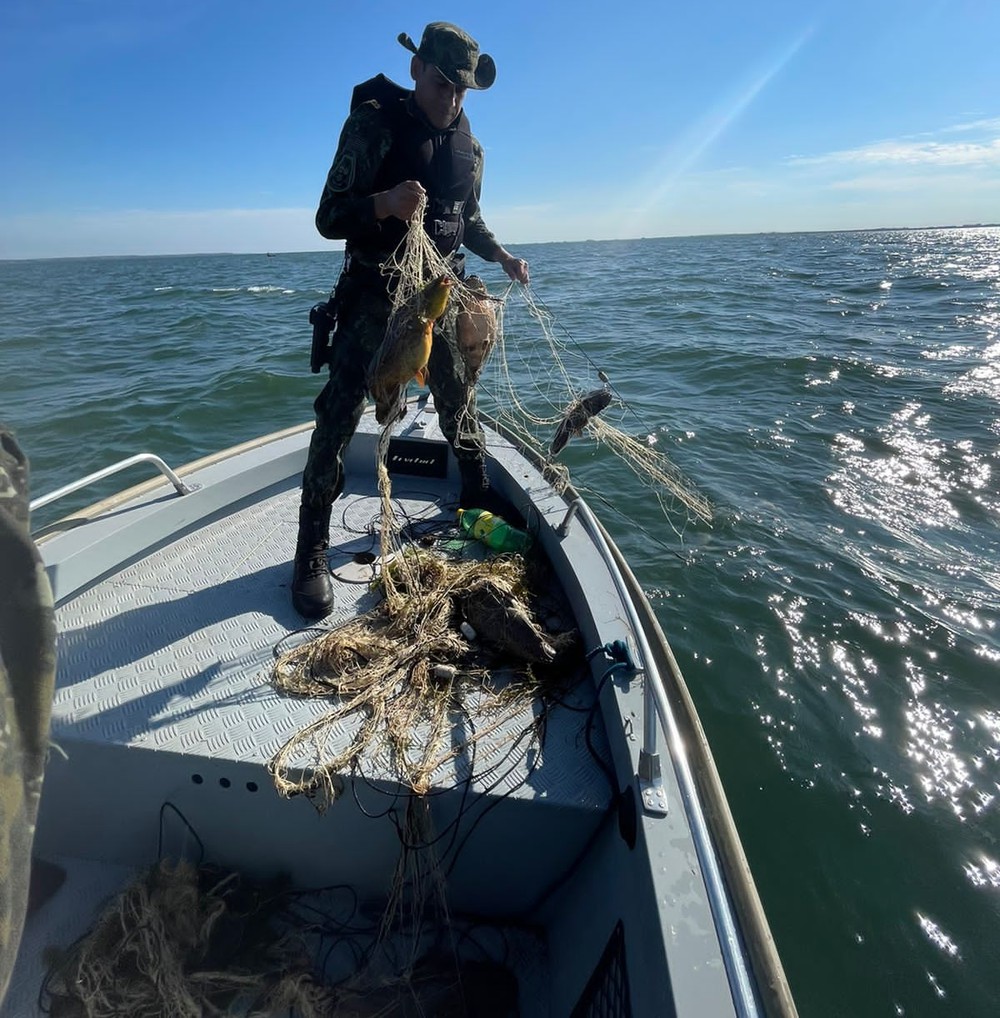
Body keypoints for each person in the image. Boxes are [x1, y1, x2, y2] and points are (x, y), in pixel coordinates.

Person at [292, 22, 529, 618]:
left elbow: (465, 220)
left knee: (457, 394)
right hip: (373, 294)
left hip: (437, 289)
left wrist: (499, 254)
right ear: (416, 69)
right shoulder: (373, 122)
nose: (452, 98)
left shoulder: (468, 147)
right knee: (344, 406)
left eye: (463, 90)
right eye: (444, 82)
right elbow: (328, 216)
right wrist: (383, 203)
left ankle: (474, 490)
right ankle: (312, 542)